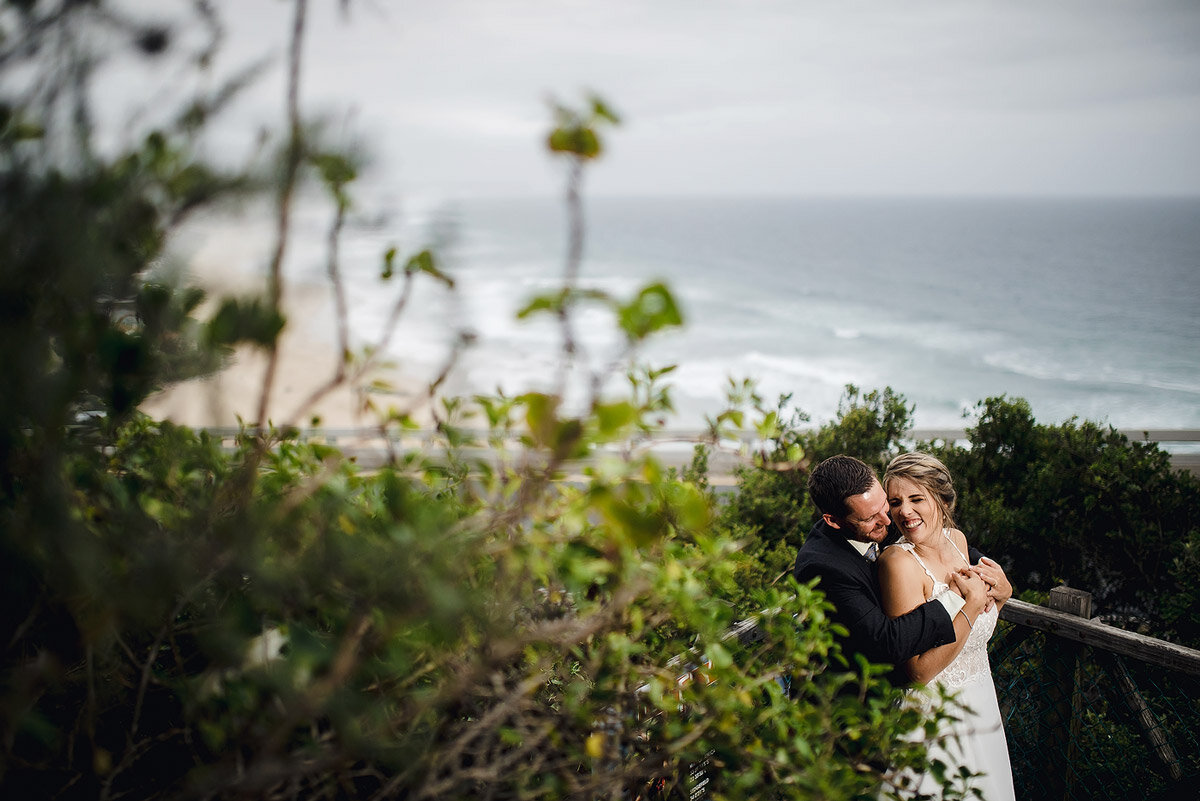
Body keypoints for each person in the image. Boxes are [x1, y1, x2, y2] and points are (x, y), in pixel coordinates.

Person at [878, 451, 1015, 801]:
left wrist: (1002, 595)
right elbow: (917, 672)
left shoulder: (959, 541)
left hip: (981, 704)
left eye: (916, 498)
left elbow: (976, 637)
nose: (904, 511)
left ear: (941, 498)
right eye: (895, 502)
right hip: (934, 721)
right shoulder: (897, 563)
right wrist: (970, 605)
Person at [793, 455, 994, 685]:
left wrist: (985, 567)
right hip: (852, 703)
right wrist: (957, 596)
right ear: (834, 521)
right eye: (870, 517)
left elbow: (936, 540)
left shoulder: (880, 518)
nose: (888, 521)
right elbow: (887, 642)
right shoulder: (823, 568)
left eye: (885, 504)